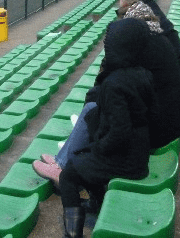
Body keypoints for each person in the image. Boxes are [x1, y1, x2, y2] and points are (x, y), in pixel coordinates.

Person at [54, 18, 159, 238]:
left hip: (124, 160)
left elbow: (119, 132)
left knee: (69, 175)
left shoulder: (114, 83)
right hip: (138, 156)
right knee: (86, 162)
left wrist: (99, 147)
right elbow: (149, 115)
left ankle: (72, 234)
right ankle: (98, 204)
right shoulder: (145, 73)